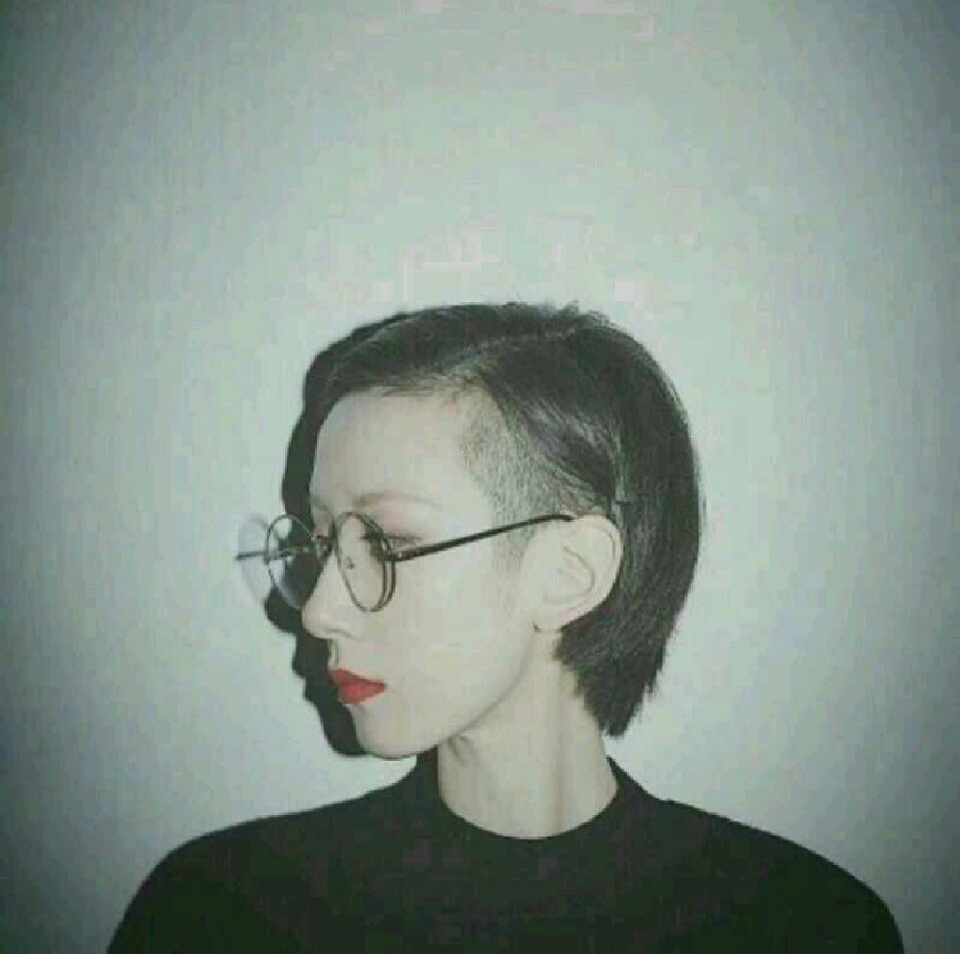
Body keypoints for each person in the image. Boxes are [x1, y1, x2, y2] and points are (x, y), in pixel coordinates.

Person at [110, 303, 903, 951]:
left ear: (569, 573)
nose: (318, 610)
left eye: (387, 544)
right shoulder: (219, 915)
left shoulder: (804, 928)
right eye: (322, 543)